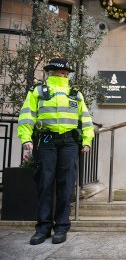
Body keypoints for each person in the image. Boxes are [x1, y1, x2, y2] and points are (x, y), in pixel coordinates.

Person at [17, 58, 94, 245]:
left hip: (69, 142)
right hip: (46, 140)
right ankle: (43, 227)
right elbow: (27, 115)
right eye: (61, 72)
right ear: (51, 72)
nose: (64, 75)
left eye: (67, 73)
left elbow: (85, 119)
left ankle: (61, 226)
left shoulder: (75, 94)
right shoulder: (38, 91)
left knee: (66, 184)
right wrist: (26, 137)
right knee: (44, 182)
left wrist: (87, 140)